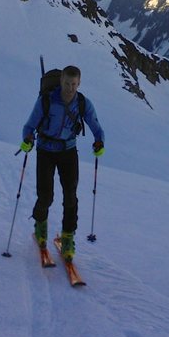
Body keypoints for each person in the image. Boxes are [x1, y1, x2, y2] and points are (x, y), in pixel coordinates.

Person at [20, 65, 105, 262]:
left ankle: (68, 237)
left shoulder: (83, 103)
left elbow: (95, 125)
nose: (70, 88)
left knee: (70, 196)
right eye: (67, 83)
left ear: (79, 83)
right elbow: (29, 125)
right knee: (45, 195)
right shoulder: (46, 101)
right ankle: (40, 226)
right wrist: (27, 139)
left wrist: (99, 141)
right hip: (45, 150)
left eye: (74, 84)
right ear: (61, 81)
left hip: (68, 151)